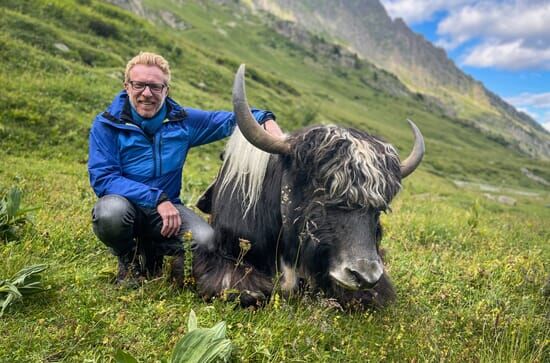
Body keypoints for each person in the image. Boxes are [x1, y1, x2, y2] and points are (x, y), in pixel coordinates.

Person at [88, 52, 282, 286]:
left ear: (166, 90)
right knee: (110, 213)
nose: (146, 93)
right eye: (139, 85)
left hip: (168, 212)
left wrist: (266, 120)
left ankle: (153, 253)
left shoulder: (183, 122)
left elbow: (230, 120)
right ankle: (129, 262)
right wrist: (157, 198)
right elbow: (104, 179)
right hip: (129, 204)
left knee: (207, 240)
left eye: (155, 87)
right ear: (127, 86)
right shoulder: (107, 124)